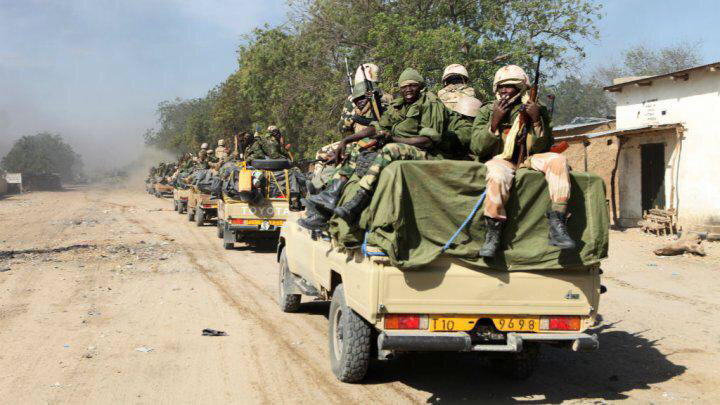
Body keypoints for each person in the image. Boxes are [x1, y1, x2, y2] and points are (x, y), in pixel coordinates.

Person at [470, 64, 575, 258]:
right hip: (502, 159)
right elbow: (477, 147)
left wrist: (535, 121)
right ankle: (492, 235)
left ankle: (558, 224)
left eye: (509, 86)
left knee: (558, 160)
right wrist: (494, 122)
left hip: (530, 157)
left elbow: (544, 146)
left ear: (520, 88)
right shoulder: (487, 110)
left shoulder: (535, 108)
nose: (504, 91)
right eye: (500, 86)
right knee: (497, 175)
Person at [331, 68, 451, 223]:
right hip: (403, 147)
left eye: (412, 85)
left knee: (390, 149)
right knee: (360, 146)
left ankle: (359, 199)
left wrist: (393, 139)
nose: (408, 89)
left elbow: (428, 141)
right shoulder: (399, 105)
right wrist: (347, 140)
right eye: (404, 87)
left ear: (420, 86)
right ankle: (332, 193)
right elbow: (377, 127)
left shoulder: (430, 103)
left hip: (426, 153)